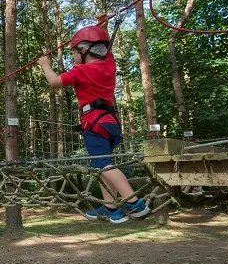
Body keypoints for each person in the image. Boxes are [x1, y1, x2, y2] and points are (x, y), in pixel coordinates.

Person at [37, 18, 150, 224]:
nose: (72, 56)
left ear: (83, 50)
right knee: (102, 166)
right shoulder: (109, 66)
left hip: (94, 124)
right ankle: (111, 208)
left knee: (102, 165)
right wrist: (102, 29)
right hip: (109, 124)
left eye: (73, 52)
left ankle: (134, 203)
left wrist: (45, 65)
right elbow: (106, 48)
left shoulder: (81, 71)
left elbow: (54, 82)